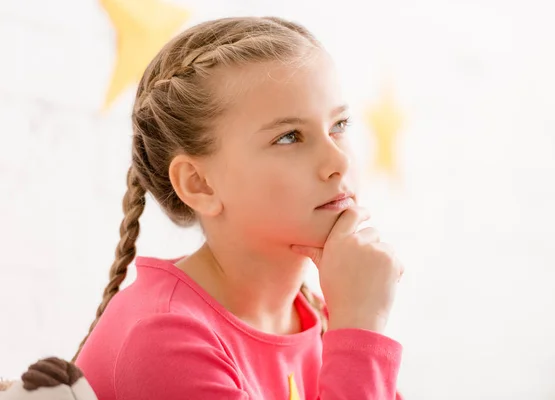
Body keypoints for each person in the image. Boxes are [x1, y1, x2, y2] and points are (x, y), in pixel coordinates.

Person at [73, 16, 405, 400]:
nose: (340, 163)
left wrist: (354, 324)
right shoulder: (164, 337)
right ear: (199, 183)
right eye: (289, 137)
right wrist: (361, 328)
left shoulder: (320, 317)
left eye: (340, 124)